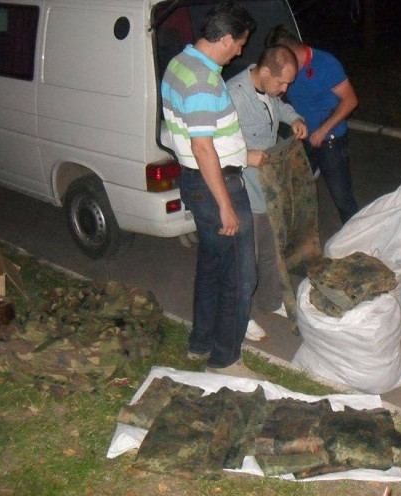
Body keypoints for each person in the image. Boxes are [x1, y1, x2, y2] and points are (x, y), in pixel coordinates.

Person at [161, 3, 260, 379]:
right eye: (240, 44)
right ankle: (225, 360)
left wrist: (243, 154)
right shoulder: (202, 79)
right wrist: (225, 205)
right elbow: (203, 147)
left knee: (213, 266)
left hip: (198, 180)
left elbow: (201, 135)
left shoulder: (180, 63)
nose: (240, 51)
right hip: (216, 185)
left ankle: (200, 342)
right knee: (239, 276)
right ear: (226, 39)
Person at [226, 45, 308, 342]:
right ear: (263, 72)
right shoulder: (233, 96)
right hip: (242, 190)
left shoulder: (268, 88)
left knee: (271, 250)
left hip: (267, 189)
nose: (285, 89)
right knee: (244, 261)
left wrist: (294, 118)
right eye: (282, 83)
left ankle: (271, 300)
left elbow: (279, 106)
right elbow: (211, 143)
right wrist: (245, 156)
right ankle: (241, 315)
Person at [265, 26, 359, 224]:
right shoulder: (286, 69)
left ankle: (357, 238)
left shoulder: (325, 63)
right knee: (296, 192)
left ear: (287, 52)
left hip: (331, 140)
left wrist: (323, 130)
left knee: (342, 198)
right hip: (303, 138)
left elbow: (350, 101)